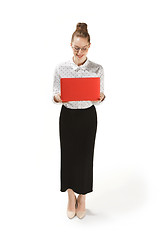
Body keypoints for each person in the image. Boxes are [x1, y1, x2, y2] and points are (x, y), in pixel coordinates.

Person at [52, 22, 105, 219]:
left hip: (87, 117)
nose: (80, 51)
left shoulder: (97, 68)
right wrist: (57, 98)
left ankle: (82, 197)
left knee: (84, 156)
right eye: (76, 47)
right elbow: (55, 93)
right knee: (68, 156)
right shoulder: (61, 68)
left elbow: (97, 99)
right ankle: (70, 195)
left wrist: (100, 97)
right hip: (67, 116)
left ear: (89, 46)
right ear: (70, 45)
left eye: (83, 48)